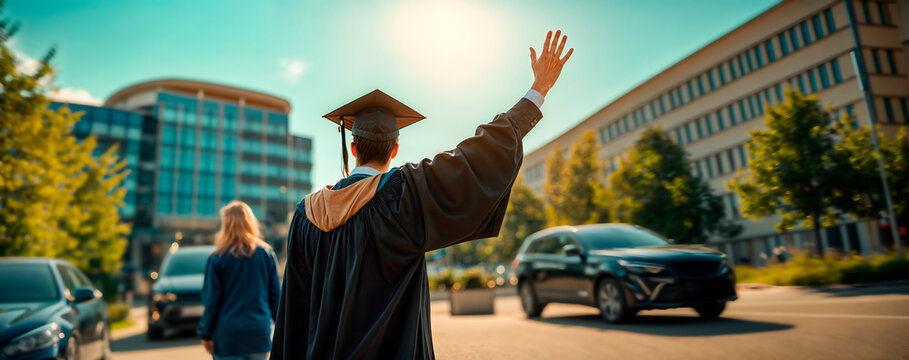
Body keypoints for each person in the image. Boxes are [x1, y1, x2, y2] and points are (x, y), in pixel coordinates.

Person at [272, 30, 573, 359]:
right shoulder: (404, 195)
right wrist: (537, 90)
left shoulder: (306, 215)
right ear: (395, 148)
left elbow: (293, 316)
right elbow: (476, 157)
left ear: (353, 147)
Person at [198, 201, 281, 360]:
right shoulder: (266, 255)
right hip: (258, 333)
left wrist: (205, 333)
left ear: (226, 225)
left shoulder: (216, 259)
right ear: (251, 222)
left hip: (228, 337)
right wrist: (283, 331)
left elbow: (212, 302)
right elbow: (276, 298)